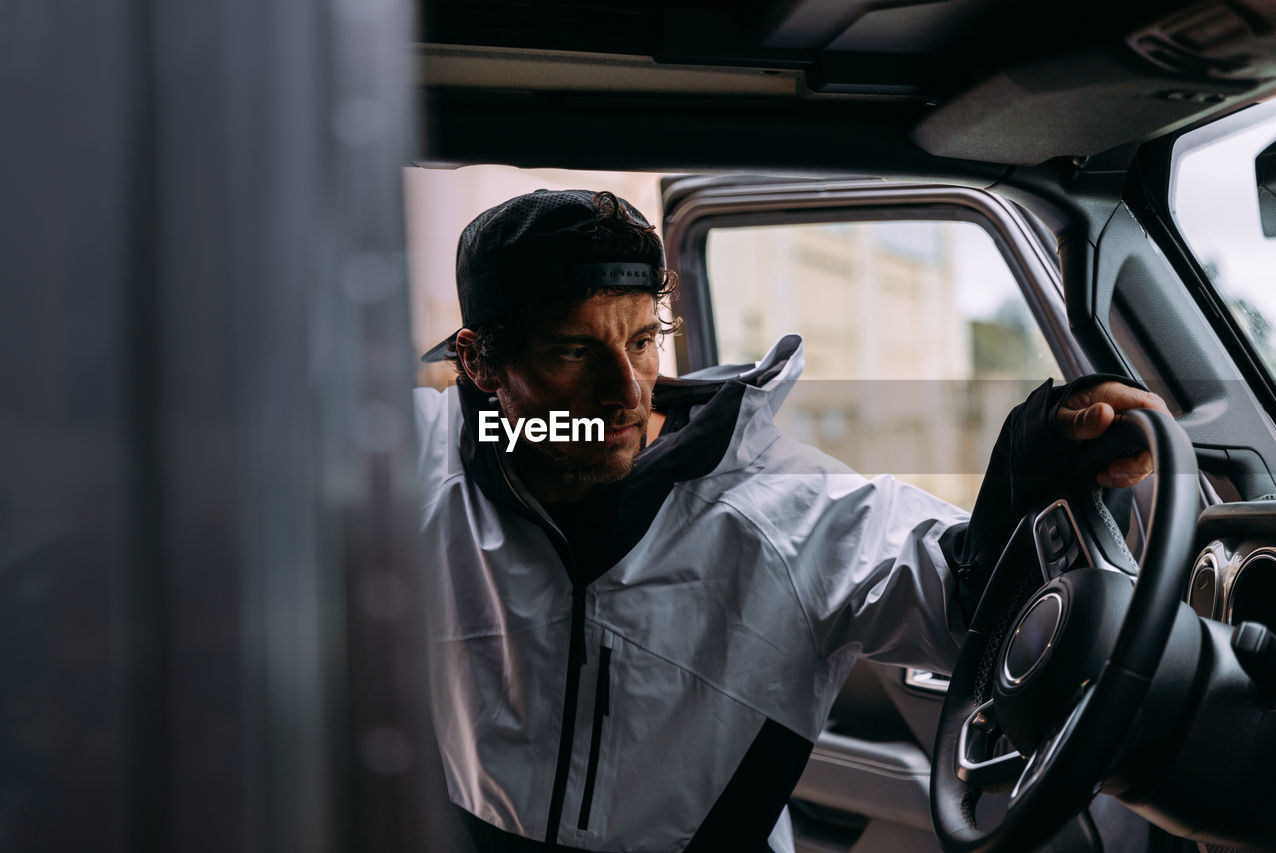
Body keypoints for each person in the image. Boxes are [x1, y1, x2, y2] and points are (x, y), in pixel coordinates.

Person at [414, 189, 1168, 852]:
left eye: (642, 341)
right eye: (574, 350)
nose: (626, 392)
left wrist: (1031, 464)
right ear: (479, 363)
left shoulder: (780, 503)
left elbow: (972, 600)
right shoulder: (417, 471)